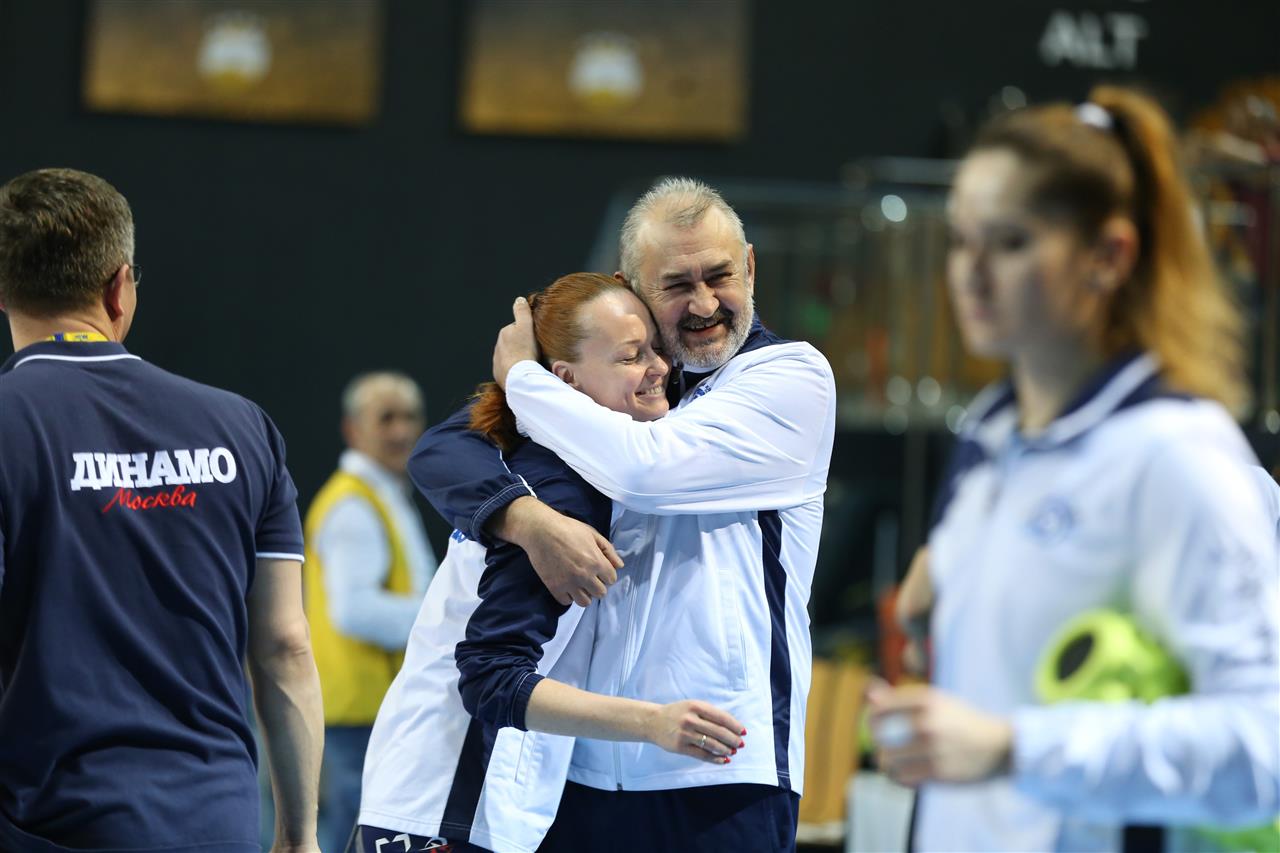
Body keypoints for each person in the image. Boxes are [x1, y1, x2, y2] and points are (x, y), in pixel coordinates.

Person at [867, 87, 1280, 851]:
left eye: (1011, 242)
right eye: (961, 240)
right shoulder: (988, 439)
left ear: (1108, 256)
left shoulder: (1175, 453)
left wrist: (1015, 747)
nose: (971, 273)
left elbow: (1262, 748)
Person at [412, 178, 837, 851]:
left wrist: (524, 379)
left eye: (720, 276)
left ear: (751, 268)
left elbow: (645, 470)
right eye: (677, 285)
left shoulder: (789, 378)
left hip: (722, 766)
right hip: (579, 768)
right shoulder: (618, 388)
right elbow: (445, 449)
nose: (704, 303)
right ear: (630, 286)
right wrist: (528, 520)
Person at [357, 273, 745, 853]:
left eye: (655, 349)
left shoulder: (540, 458)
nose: (660, 367)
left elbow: (438, 447)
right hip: (451, 802)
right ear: (563, 379)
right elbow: (489, 677)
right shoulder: (563, 491)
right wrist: (653, 722)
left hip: (439, 794)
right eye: (631, 356)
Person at [0, 168, 323, 852]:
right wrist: (299, 837)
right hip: (216, 820)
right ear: (120, 287)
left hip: (50, 823)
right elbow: (285, 646)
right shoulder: (244, 428)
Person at [303, 372, 439, 853]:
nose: (401, 430)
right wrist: (441, 624)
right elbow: (355, 610)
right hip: (359, 712)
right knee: (352, 836)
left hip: (369, 708)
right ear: (353, 430)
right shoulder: (353, 508)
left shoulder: (379, 495)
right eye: (386, 418)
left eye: (410, 417)